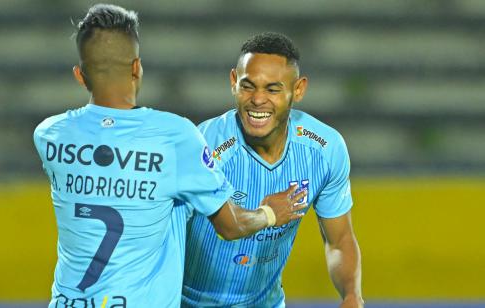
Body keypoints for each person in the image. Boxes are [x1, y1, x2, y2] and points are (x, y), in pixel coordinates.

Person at [33, 5, 306, 308]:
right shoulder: (175, 137)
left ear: (79, 75)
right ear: (136, 68)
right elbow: (230, 225)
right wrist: (269, 213)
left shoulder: (49, 136)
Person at [182, 32, 363, 307]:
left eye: (272, 89)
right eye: (248, 86)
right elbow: (224, 227)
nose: (257, 99)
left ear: (298, 90)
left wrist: (352, 295)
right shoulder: (204, 146)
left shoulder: (325, 150)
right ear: (233, 82)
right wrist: (268, 214)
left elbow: (339, 241)